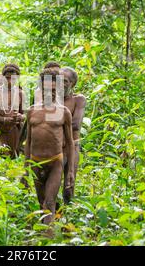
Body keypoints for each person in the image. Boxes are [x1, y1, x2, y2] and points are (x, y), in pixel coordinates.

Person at [24, 68, 74, 225]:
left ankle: (48, 237)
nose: (50, 93)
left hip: (55, 162)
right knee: (41, 203)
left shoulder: (64, 112)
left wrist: (70, 171)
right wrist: (26, 169)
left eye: (54, 89)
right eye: (47, 89)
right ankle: (42, 237)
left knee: (49, 203)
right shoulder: (32, 111)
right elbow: (29, 141)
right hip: (35, 162)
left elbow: (70, 143)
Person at [0, 64, 26, 158]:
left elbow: (24, 115)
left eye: (13, 79)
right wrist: (2, 119)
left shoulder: (20, 94)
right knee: (0, 157)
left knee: (13, 157)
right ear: (3, 77)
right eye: (7, 78)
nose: (10, 81)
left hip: (14, 131)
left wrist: (20, 117)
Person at [60, 67, 86, 204]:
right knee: (51, 184)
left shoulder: (78, 100)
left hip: (72, 146)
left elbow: (75, 124)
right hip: (56, 147)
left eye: (65, 81)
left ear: (72, 84)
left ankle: (68, 215)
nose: (60, 84)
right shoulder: (51, 100)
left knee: (69, 186)